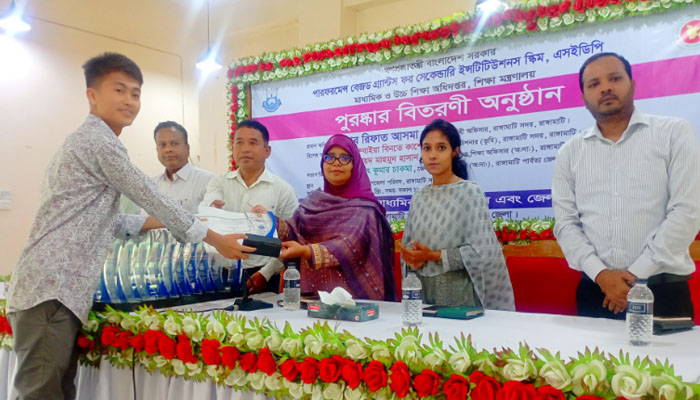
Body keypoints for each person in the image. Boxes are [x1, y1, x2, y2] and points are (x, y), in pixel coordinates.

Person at [5, 52, 253, 400]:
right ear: (92, 95)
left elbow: (108, 219)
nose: (129, 101)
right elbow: (152, 196)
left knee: (57, 390)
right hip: (51, 289)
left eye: (135, 93)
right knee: (40, 393)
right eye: (119, 90)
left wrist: (171, 222)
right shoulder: (98, 142)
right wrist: (215, 239)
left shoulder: (88, 142)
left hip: (56, 290)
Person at [552, 52, 700, 319]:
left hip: (662, 292)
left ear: (632, 85)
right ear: (584, 98)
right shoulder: (569, 152)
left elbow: (687, 211)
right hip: (596, 292)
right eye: (594, 84)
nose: (605, 88)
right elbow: (566, 224)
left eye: (615, 79)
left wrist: (633, 278)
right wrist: (601, 275)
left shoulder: (674, 133)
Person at [400, 119, 515, 310]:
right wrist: (413, 258)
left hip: (460, 298)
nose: (432, 155)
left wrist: (434, 255)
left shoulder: (470, 192)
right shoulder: (419, 196)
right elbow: (408, 249)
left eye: (441, 147)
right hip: (423, 296)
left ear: (455, 151)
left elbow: (482, 253)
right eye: (427, 148)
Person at [273, 134, 397, 301]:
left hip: (352, 302)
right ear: (322, 163)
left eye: (344, 158)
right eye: (329, 157)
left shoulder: (366, 210)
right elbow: (292, 233)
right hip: (311, 298)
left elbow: (348, 246)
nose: (336, 163)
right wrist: (269, 222)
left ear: (354, 165)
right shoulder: (312, 203)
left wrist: (306, 251)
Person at [200, 120, 298, 292]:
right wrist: (211, 212)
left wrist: (266, 274)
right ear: (233, 148)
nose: (245, 149)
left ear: (267, 151)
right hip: (219, 273)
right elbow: (206, 214)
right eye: (239, 142)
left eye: (253, 143)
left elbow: (292, 241)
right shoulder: (219, 182)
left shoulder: (283, 190)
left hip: (261, 276)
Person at [149, 120, 213, 214]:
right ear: (157, 150)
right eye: (162, 145)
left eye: (174, 143)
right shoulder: (151, 185)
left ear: (187, 148)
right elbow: (145, 219)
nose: (168, 149)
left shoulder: (208, 181)